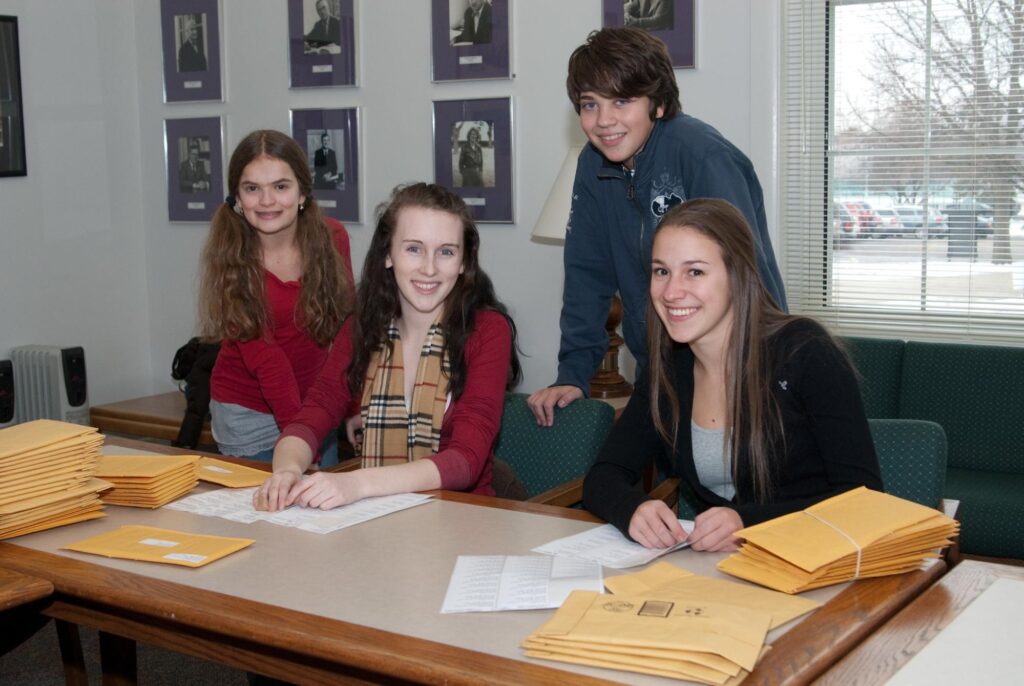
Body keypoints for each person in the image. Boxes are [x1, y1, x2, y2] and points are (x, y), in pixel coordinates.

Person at [583, 198, 882, 551]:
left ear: (737, 276)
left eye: (695, 271)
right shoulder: (666, 369)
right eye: (661, 271)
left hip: (816, 564)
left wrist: (748, 524)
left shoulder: (805, 352)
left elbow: (865, 500)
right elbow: (603, 476)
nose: (671, 291)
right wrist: (632, 508)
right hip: (726, 576)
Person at [527, 27, 787, 426]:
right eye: (589, 105)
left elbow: (745, 277)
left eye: (622, 101)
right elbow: (586, 275)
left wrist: (742, 377)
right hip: (661, 371)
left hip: (743, 368)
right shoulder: (591, 165)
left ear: (659, 104)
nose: (604, 121)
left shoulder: (703, 157)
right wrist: (573, 374)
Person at [254, 182, 521, 512]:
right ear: (387, 255)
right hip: (374, 522)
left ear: (465, 263)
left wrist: (358, 483)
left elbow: (466, 461)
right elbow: (314, 413)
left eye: (447, 252)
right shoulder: (362, 326)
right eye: (413, 249)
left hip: (462, 520)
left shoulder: (487, 331)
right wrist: (287, 471)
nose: (429, 268)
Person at [198, 129, 355, 466]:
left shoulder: (333, 238)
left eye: (281, 187)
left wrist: (351, 406)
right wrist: (301, 441)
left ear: (302, 193)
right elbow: (269, 364)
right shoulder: (231, 257)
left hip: (316, 406)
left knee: (318, 515)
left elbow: (347, 329)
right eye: (252, 188)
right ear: (237, 199)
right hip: (248, 416)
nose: (267, 201)